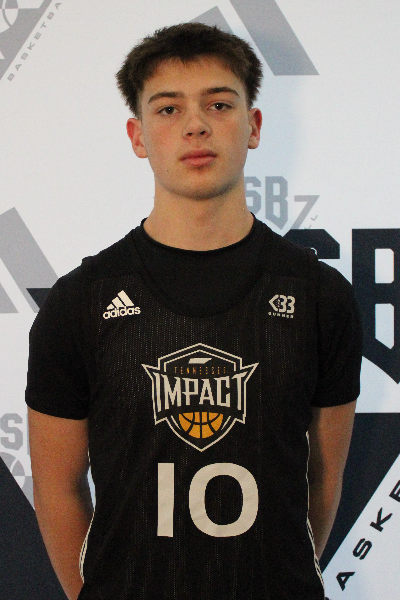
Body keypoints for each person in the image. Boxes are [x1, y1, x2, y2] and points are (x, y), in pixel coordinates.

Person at [26, 22, 362, 600]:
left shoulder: (319, 296)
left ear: (253, 126)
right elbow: (57, 488)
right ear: (137, 136)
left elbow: (322, 482)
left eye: (219, 104)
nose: (196, 125)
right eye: (168, 109)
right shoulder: (81, 301)